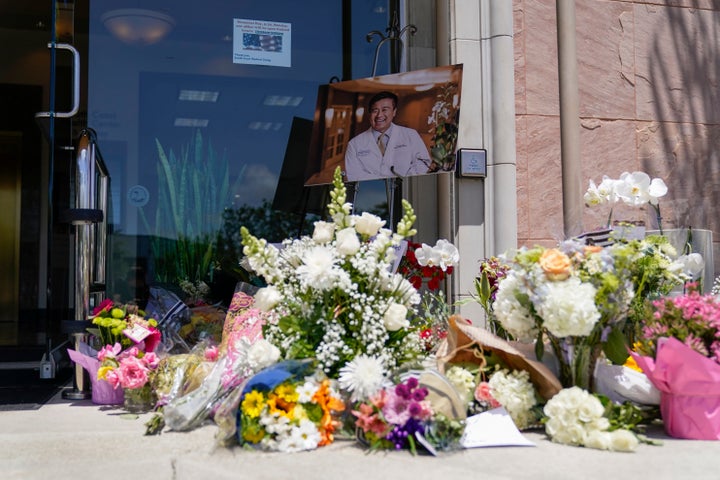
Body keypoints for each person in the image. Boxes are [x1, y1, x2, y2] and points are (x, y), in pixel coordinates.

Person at [344, 91, 432, 182]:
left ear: (394, 112)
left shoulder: (411, 135)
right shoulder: (354, 144)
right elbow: (353, 175)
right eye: (375, 110)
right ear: (369, 114)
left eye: (384, 109)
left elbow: (423, 162)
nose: (379, 115)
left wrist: (404, 180)